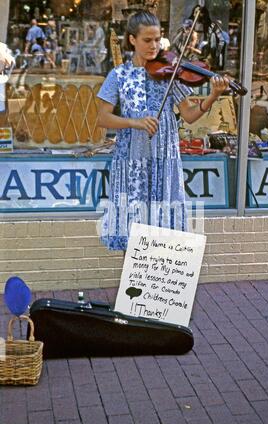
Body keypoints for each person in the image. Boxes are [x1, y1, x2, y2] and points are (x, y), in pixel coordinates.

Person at [97, 10, 228, 251]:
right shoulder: (119, 75)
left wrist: (213, 96)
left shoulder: (170, 73)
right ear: (132, 40)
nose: (154, 46)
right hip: (131, 159)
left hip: (164, 159)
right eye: (147, 40)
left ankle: (157, 285)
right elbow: (102, 118)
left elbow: (189, 115)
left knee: (162, 229)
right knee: (132, 226)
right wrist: (134, 123)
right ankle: (133, 285)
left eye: (158, 39)